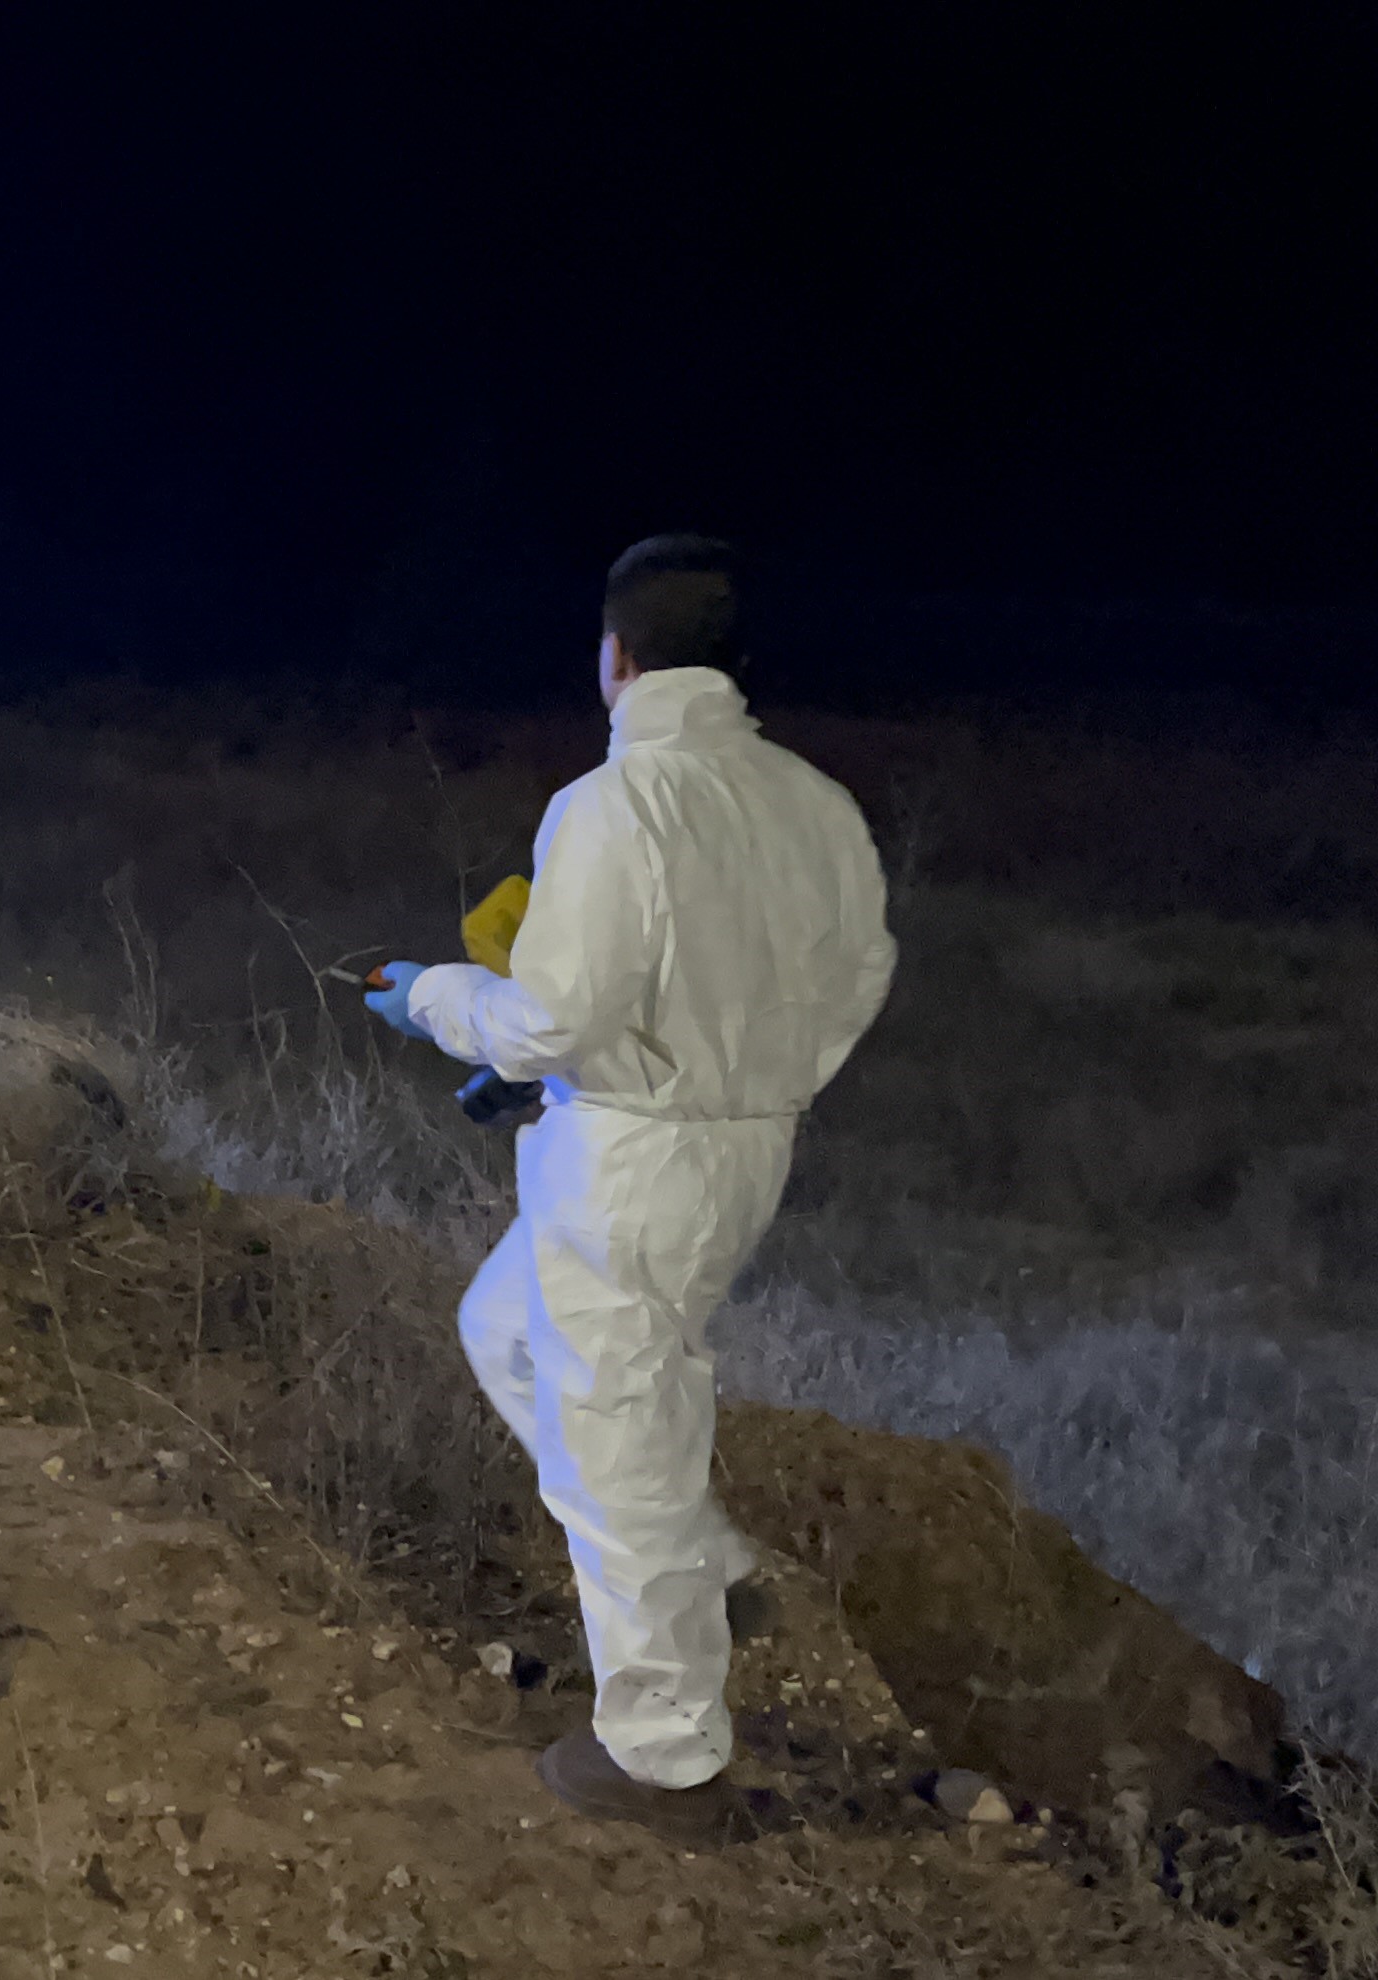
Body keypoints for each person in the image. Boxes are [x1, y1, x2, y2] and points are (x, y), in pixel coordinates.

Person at [364, 534, 895, 1837]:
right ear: (735, 660)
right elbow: (859, 971)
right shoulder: (816, 804)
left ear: (616, 657)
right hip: (736, 1146)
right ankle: (704, 1575)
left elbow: (545, 1018)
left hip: (634, 1158)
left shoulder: (611, 809)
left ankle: (665, 1756)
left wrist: (433, 997)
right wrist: (757, 1074)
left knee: (620, 1441)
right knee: (506, 1332)